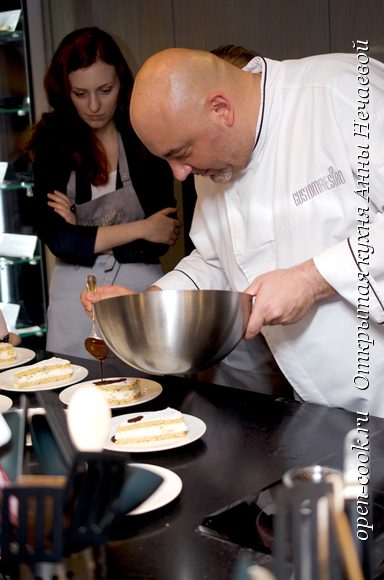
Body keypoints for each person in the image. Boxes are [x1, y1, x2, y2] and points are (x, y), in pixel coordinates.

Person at [81, 47, 384, 418]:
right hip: (326, 406)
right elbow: (217, 261)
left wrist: (311, 279)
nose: (179, 173)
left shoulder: (342, 93)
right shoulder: (215, 163)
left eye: (181, 152)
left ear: (220, 109)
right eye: (168, 160)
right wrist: (150, 307)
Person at [26, 28, 181, 359]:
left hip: (140, 286)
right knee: (73, 387)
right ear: (64, 89)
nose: (94, 106)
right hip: (74, 293)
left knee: (149, 389)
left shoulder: (143, 133)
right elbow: (57, 239)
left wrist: (81, 233)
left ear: (121, 82)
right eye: (80, 94)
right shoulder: (52, 140)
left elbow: (164, 231)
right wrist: (141, 227)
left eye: (105, 90)